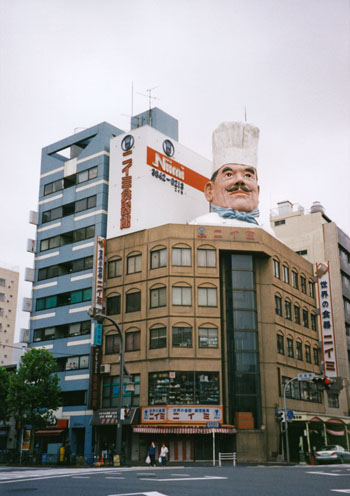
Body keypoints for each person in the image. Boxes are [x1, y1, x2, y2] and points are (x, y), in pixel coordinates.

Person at [190, 121, 264, 229]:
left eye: (248, 175)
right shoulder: (199, 226)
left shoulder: (267, 231)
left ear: (258, 192)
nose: (239, 180)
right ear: (210, 190)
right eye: (229, 174)